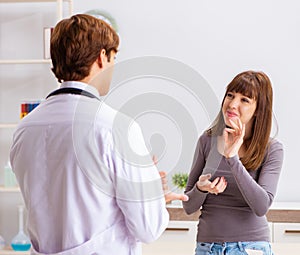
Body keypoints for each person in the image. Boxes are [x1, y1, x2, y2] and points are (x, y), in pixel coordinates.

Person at [10, 14, 187, 255]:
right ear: (102, 57)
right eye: (114, 58)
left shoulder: (24, 129)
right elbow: (148, 227)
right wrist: (151, 191)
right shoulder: (116, 127)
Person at [183, 71, 283, 255]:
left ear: (259, 109)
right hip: (207, 248)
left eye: (245, 99)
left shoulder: (272, 149)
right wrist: (201, 188)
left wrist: (233, 158)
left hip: (250, 248)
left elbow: (261, 206)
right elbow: (189, 207)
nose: (232, 104)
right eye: (230, 95)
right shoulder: (207, 141)